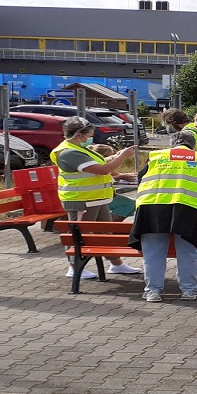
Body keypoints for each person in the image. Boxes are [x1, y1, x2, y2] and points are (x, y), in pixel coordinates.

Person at [128, 130, 197, 301]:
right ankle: (189, 290)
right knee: (187, 251)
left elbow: (141, 178)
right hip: (188, 208)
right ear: (193, 145)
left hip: (151, 207)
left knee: (153, 252)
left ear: (171, 144)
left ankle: (152, 291)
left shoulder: (155, 156)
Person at [52, 117, 141, 279]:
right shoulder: (68, 152)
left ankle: (116, 264)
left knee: (105, 232)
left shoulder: (78, 148)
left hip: (97, 199)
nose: (91, 139)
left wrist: (116, 157)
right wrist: (123, 156)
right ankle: (74, 266)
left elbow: (97, 162)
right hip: (81, 200)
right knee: (80, 235)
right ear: (80, 135)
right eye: (90, 135)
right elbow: (102, 169)